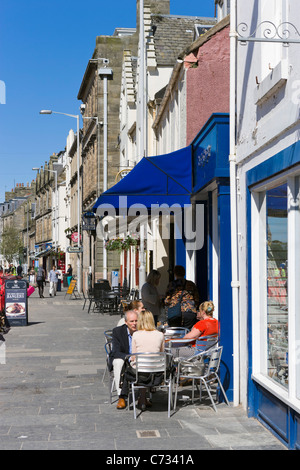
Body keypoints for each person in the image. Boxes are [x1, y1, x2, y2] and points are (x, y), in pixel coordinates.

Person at [119, 309, 165, 410]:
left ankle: (126, 397)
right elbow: (162, 354)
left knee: (131, 368)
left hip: (140, 373)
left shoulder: (136, 335)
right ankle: (143, 398)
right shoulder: (160, 335)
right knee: (147, 368)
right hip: (157, 372)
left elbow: (133, 356)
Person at [108, 310, 138, 410]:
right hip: (124, 357)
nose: (134, 324)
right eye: (131, 321)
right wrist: (129, 357)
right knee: (117, 362)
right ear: (126, 322)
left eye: (136, 321)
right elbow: (115, 351)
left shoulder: (141, 331)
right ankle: (121, 396)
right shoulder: (118, 331)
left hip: (138, 358)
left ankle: (144, 394)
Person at [164, 265, 199, 330]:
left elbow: (167, 300)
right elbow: (196, 298)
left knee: (176, 334)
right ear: (184, 273)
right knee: (188, 333)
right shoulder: (191, 284)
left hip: (174, 312)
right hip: (189, 312)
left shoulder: (171, 285)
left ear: (175, 274)